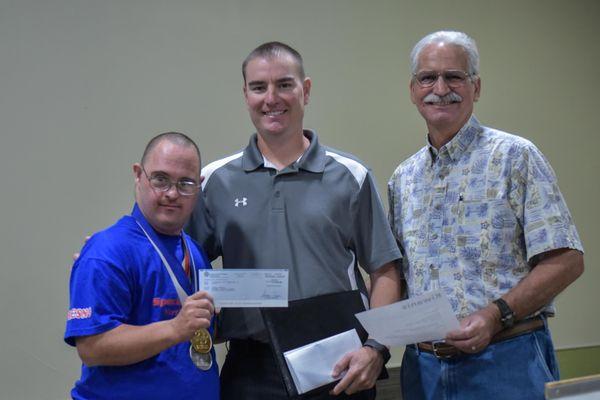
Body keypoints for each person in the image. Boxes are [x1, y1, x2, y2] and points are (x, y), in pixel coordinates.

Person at [186, 42, 402, 399]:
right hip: (251, 368)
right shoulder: (215, 182)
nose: (272, 98)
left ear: (306, 89)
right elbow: (182, 265)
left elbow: (385, 271)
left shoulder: (351, 175)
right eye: (259, 87)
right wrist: (123, 249)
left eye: (284, 84)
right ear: (246, 94)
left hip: (341, 363)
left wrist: (376, 349)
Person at [387, 30, 585, 400]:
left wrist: (495, 315)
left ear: (476, 87)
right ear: (413, 90)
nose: (440, 88)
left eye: (455, 76)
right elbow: (396, 276)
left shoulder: (516, 157)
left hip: (507, 360)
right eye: (428, 77)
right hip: (423, 369)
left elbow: (567, 260)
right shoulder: (403, 179)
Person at [64, 132, 219, 400]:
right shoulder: (107, 251)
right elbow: (92, 347)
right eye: (160, 179)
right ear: (138, 175)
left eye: (185, 183)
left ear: (198, 187)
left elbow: (200, 333)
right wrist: (175, 328)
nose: (172, 193)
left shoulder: (194, 252)